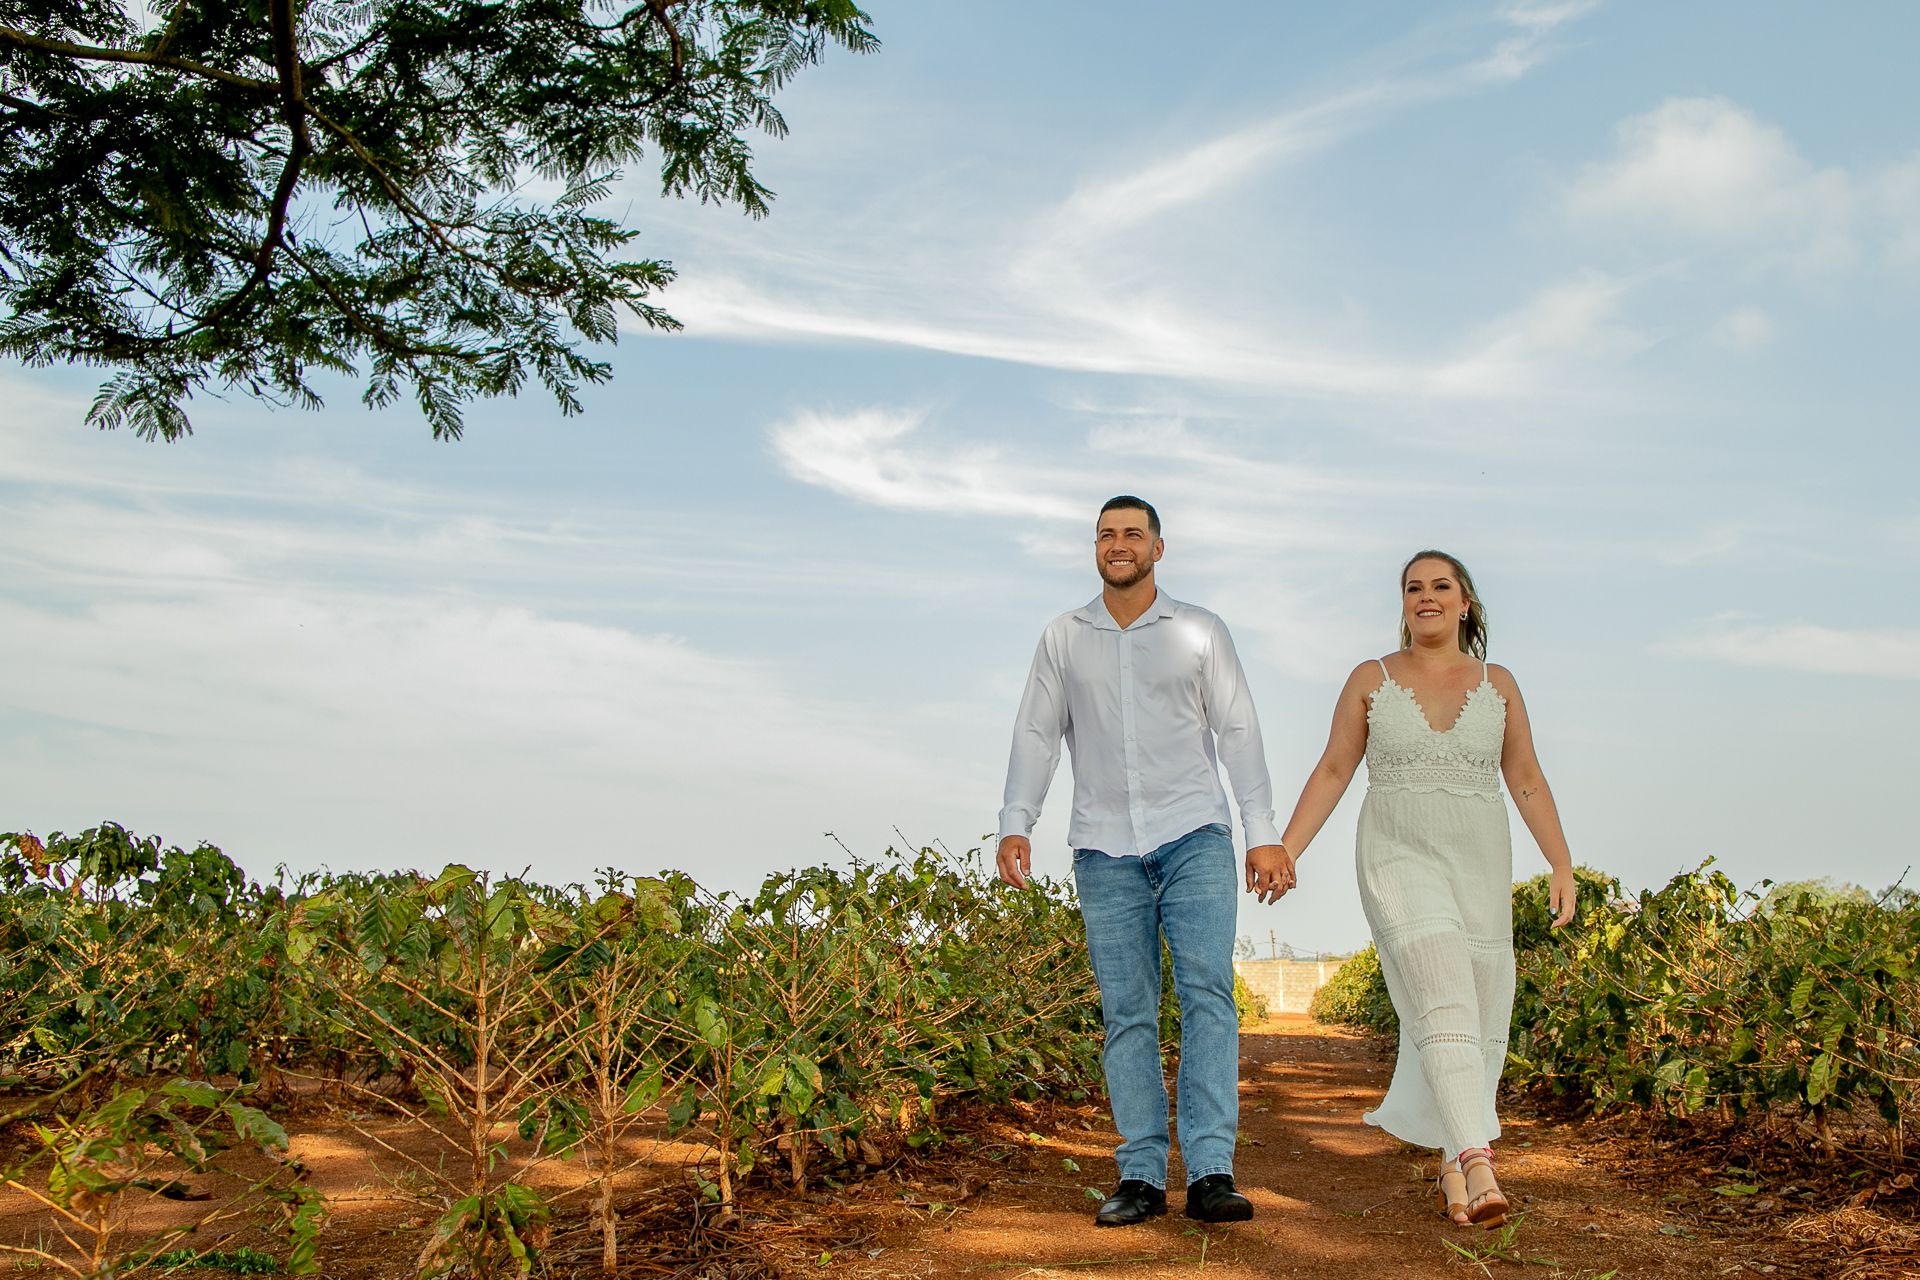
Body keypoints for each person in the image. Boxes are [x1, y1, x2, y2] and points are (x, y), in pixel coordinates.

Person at [996, 495, 1293, 1227]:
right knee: (1127, 1013)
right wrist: (1015, 822)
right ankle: (1139, 1175)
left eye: (1133, 534)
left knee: (1207, 998)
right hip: (1103, 847)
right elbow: (1037, 733)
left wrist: (1262, 831)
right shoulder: (1064, 637)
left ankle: (1212, 1170)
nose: (1118, 544)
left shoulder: (1198, 631)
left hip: (1194, 834)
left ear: (1159, 548)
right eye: (1106, 534)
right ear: (1094, 548)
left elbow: (1239, 730)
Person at [1263, 550, 1577, 1228]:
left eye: (1441, 586)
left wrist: (1560, 862)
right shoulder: (1370, 678)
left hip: (1480, 859)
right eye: (1413, 588)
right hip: (1396, 853)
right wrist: (1287, 850)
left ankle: (1448, 1157)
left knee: (1481, 1007)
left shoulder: (1500, 684)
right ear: (1403, 604)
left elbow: (1525, 776)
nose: (1425, 597)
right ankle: (1477, 1156)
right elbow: (1334, 768)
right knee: (1442, 994)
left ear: (1466, 603)